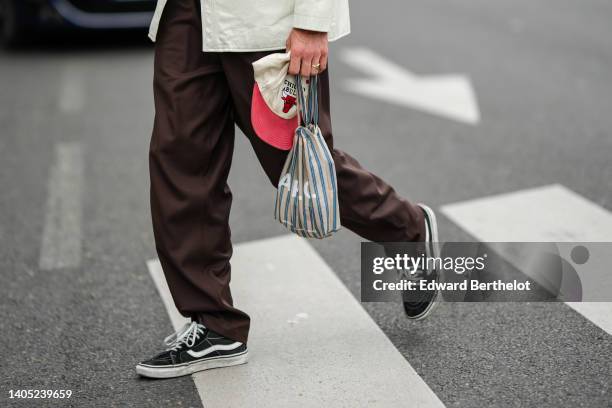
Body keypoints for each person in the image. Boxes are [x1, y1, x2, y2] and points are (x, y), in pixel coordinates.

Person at [136, 0, 440, 379]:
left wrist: (313, 22)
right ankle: (214, 323)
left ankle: (406, 228)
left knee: (298, 164)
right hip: (186, 15)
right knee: (180, 164)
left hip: (265, 18)